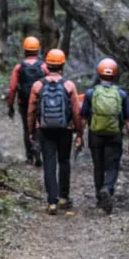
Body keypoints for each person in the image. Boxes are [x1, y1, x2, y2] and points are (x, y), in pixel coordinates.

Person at [28, 48, 83, 215]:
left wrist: (32, 131)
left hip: (45, 130)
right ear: (62, 65)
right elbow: (76, 111)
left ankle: (51, 202)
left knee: (49, 164)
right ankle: (64, 198)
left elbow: (31, 111)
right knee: (64, 161)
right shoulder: (69, 85)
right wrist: (79, 132)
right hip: (65, 129)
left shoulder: (38, 85)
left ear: (47, 65)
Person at [80, 57, 129, 214]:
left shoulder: (91, 93)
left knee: (98, 166)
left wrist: (79, 135)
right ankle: (107, 188)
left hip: (95, 134)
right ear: (115, 74)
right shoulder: (121, 94)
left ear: (99, 74)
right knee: (112, 166)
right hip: (114, 135)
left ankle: (100, 198)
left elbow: (83, 117)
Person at [7, 36, 47, 166]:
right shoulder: (44, 66)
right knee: (39, 126)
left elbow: (12, 88)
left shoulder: (19, 67)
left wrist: (10, 105)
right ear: (38, 50)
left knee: (27, 127)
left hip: (23, 102)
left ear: (25, 50)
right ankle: (39, 148)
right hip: (40, 102)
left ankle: (29, 156)